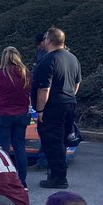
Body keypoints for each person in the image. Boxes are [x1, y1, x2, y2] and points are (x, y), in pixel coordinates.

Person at [34, 27, 82, 190]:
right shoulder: (73, 58)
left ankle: (58, 177)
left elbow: (44, 89)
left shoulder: (48, 61)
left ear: (49, 40)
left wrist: (40, 110)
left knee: (52, 142)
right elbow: (77, 83)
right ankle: (57, 174)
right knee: (61, 141)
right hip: (69, 103)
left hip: (53, 106)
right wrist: (69, 96)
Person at [0, 46, 31, 187]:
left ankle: (4, 179)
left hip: (2, 114)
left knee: (3, 146)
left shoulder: (0, 74)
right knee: (20, 146)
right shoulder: (25, 73)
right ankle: (22, 180)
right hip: (21, 113)